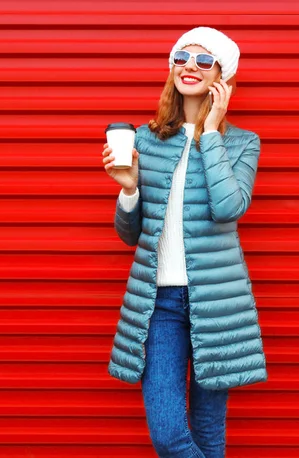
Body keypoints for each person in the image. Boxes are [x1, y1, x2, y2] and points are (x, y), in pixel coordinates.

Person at [102, 26, 268, 458]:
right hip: (159, 304)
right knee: (170, 435)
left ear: (222, 76)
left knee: (210, 431)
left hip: (217, 303)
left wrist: (210, 132)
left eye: (203, 60)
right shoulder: (144, 138)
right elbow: (129, 235)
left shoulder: (242, 143)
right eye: (181, 57)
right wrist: (128, 189)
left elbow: (229, 207)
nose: (189, 66)